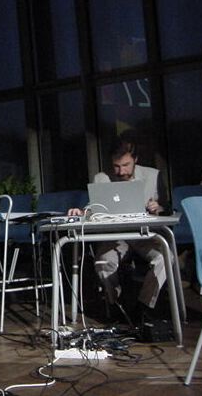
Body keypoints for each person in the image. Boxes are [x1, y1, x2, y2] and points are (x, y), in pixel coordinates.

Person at [68, 138, 168, 324]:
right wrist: (82, 212)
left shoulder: (152, 176)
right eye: (116, 166)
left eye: (126, 165)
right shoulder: (102, 178)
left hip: (143, 235)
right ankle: (116, 305)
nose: (121, 172)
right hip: (116, 237)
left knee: (165, 257)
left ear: (135, 159)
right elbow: (94, 207)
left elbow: (165, 209)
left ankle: (143, 307)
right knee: (103, 262)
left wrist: (159, 208)